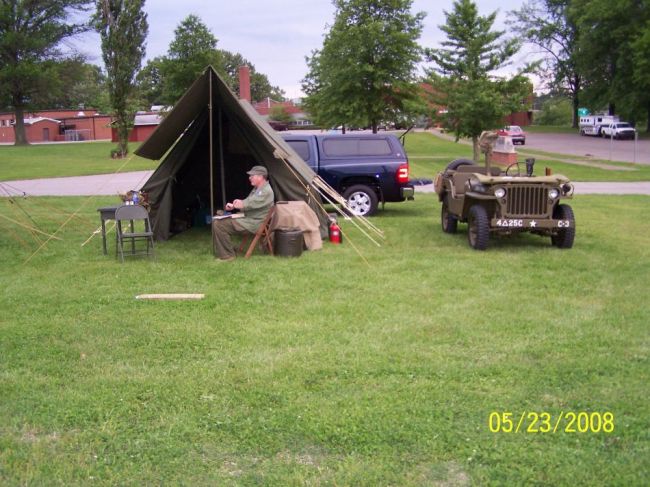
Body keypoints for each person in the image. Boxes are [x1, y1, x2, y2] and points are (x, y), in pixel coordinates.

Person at [212, 165, 274, 261]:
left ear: (260, 177)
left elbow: (250, 203)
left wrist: (239, 204)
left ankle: (227, 255)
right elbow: (250, 202)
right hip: (249, 219)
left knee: (219, 224)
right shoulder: (258, 189)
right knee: (219, 219)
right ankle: (227, 250)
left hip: (253, 223)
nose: (249, 178)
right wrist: (235, 205)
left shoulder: (265, 191)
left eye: (252, 175)